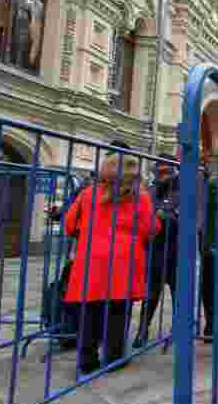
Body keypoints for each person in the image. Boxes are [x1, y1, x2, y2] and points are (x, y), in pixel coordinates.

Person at [64, 148, 160, 375]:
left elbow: (69, 224)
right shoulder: (141, 197)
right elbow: (150, 228)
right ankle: (114, 357)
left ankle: (87, 360)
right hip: (124, 260)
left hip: (91, 259)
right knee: (118, 309)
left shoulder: (88, 194)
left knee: (89, 309)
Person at [134, 154, 180, 348]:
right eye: (158, 171)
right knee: (150, 294)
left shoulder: (182, 189)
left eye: (164, 172)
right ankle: (142, 330)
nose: (160, 176)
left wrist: (166, 217)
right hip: (154, 250)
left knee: (179, 294)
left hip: (178, 251)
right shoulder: (151, 190)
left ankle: (179, 329)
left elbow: (190, 218)